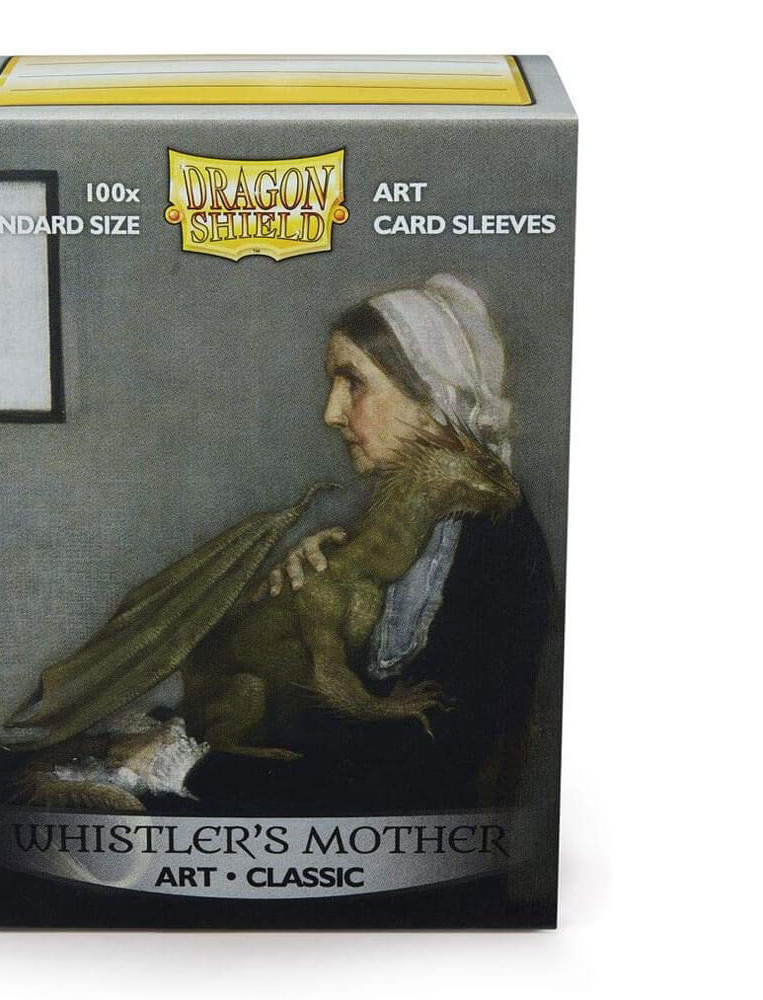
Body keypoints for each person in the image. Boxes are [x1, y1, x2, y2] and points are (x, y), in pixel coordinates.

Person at [189, 274, 555, 813]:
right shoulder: (409, 515)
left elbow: (428, 758)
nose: (331, 413)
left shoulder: (496, 540)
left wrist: (187, 766)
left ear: (430, 399)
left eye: (353, 383)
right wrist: (300, 602)